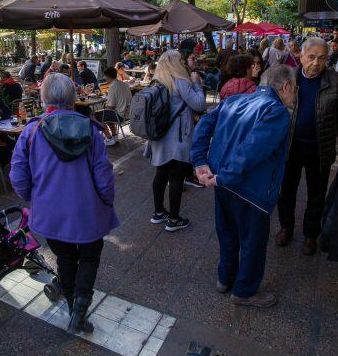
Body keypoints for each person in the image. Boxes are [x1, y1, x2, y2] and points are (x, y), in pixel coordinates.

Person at [9, 73, 118, 334]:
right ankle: (81, 305)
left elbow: (18, 175)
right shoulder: (91, 130)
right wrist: (107, 201)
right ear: (72, 97)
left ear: (44, 97)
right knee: (90, 256)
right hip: (89, 210)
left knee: (65, 258)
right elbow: (104, 176)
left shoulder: (32, 131)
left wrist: (32, 198)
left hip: (51, 213)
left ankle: (72, 307)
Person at [191, 65, 296, 307]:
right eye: (294, 91)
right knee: (252, 243)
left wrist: (200, 161)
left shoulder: (235, 100)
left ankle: (225, 278)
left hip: (224, 183)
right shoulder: (277, 111)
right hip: (251, 190)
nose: (294, 97)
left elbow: (205, 123)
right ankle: (245, 290)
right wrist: (222, 174)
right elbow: (252, 150)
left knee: (227, 234)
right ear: (286, 87)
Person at [275, 37, 338, 255]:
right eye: (311, 57)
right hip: (290, 146)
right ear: (301, 56)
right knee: (286, 191)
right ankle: (286, 227)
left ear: (327, 58)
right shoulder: (288, 78)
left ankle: (311, 235)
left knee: (316, 193)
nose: (316, 63)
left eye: (321, 58)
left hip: (320, 147)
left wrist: (327, 132)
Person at [145, 51, 206, 232]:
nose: (183, 62)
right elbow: (199, 105)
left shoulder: (157, 82)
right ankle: (174, 219)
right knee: (176, 177)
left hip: (159, 136)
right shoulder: (181, 82)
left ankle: (158, 212)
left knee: (161, 173)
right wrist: (197, 85)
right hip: (177, 137)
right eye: (180, 60)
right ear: (175, 63)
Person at [96, 67, 132, 146]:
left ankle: (109, 138)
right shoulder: (124, 84)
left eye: (105, 76)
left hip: (120, 115)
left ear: (107, 76)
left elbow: (110, 107)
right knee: (105, 113)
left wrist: (104, 107)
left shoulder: (113, 86)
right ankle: (114, 135)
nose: (105, 78)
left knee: (94, 116)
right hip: (128, 114)